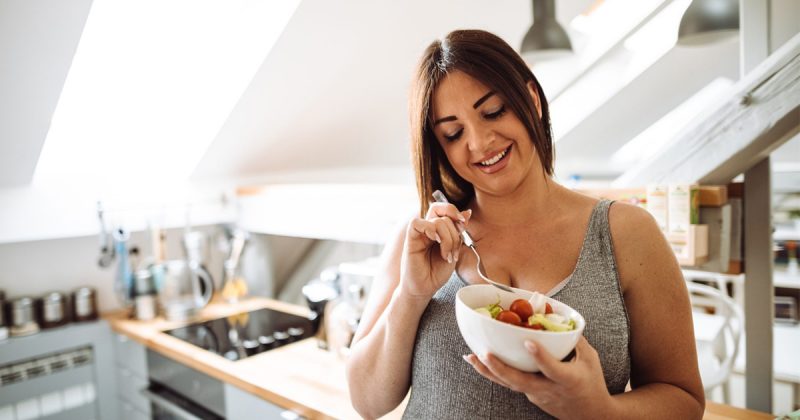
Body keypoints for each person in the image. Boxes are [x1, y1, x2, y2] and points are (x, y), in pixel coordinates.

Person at [346, 29, 704, 419]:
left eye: (494, 111)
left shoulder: (626, 234)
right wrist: (411, 296)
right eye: (453, 133)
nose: (480, 143)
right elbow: (368, 403)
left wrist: (600, 411)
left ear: (530, 99)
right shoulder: (421, 240)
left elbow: (683, 401)